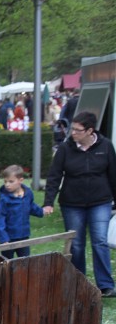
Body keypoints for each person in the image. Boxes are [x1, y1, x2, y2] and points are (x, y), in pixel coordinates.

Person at [43, 111, 116, 297]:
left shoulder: (106, 146)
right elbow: (54, 175)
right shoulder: (65, 149)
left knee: (100, 241)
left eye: (77, 130)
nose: (73, 133)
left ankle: (106, 285)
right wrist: (48, 202)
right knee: (76, 244)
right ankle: (79, 282)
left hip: (100, 201)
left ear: (90, 131)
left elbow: (113, 175)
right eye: (72, 129)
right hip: (72, 203)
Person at [0, 165, 44, 259]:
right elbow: (0, 220)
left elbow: (31, 206)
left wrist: (41, 212)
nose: (7, 185)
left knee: (25, 261)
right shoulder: (4, 200)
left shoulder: (28, 194)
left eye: (11, 181)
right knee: (7, 262)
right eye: (5, 181)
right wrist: (4, 239)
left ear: (20, 180)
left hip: (24, 236)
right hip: (9, 238)